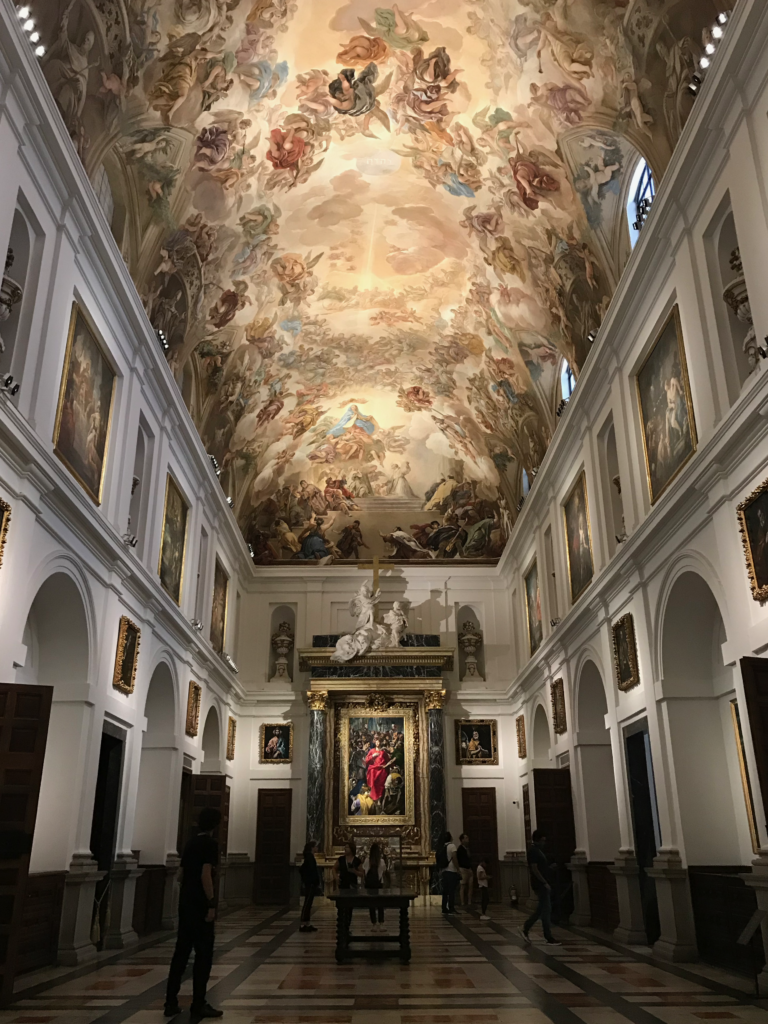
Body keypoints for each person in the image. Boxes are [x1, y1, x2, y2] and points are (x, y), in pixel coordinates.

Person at [164, 807, 224, 1020]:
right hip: (200, 904)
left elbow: (180, 875)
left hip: (186, 903)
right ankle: (198, 1003)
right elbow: (205, 874)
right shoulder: (209, 844)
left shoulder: (189, 843)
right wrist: (210, 902)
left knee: (181, 953)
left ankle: (170, 1001)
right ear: (215, 826)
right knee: (203, 955)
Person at [519, 829, 562, 947]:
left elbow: (541, 867)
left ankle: (526, 928)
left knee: (541, 909)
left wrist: (549, 868)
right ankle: (548, 937)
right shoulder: (533, 851)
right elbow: (535, 869)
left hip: (541, 882)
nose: (544, 843)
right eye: (543, 840)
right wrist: (544, 882)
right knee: (546, 910)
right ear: (537, 840)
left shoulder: (537, 850)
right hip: (540, 884)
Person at [335, 840, 364, 928]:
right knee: (341, 905)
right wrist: (336, 877)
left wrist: (354, 871)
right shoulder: (341, 859)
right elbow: (334, 868)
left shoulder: (357, 860)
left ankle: (347, 925)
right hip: (343, 883)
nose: (345, 849)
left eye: (347, 847)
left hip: (352, 885)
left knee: (349, 906)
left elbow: (362, 873)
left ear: (351, 849)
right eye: (345, 847)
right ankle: (341, 924)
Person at [363, 842, 387, 932]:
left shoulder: (367, 860)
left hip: (370, 885)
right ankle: (381, 923)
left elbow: (364, 872)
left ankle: (373, 924)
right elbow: (384, 872)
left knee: (371, 905)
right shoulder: (381, 861)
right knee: (380, 904)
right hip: (379, 884)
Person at [437, 830, 461, 915]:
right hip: (451, 870)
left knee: (445, 891)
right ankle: (451, 907)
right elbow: (454, 858)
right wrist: (458, 869)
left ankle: (444, 907)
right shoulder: (452, 846)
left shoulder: (442, 846)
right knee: (451, 890)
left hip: (444, 870)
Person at [299, 840, 320, 933]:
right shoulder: (309, 857)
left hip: (310, 882)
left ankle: (307, 923)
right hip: (310, 883)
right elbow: (308, 870)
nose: (317, 848)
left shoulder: (309, 857)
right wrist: (311, 880)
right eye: (316, 846)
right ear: (312, 848)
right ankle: (303, 924)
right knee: (307, 903)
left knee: (309, 903)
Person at [457, 833, 473, 906]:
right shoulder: (460, 849)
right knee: (463, 886)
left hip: (469, 868)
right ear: (462, 840)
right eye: (466, 838)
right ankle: (462, 902)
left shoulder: (467, 848)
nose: (467, 839)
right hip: (463, 869)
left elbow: (469, 857)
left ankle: (469, 902)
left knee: (470, 886)